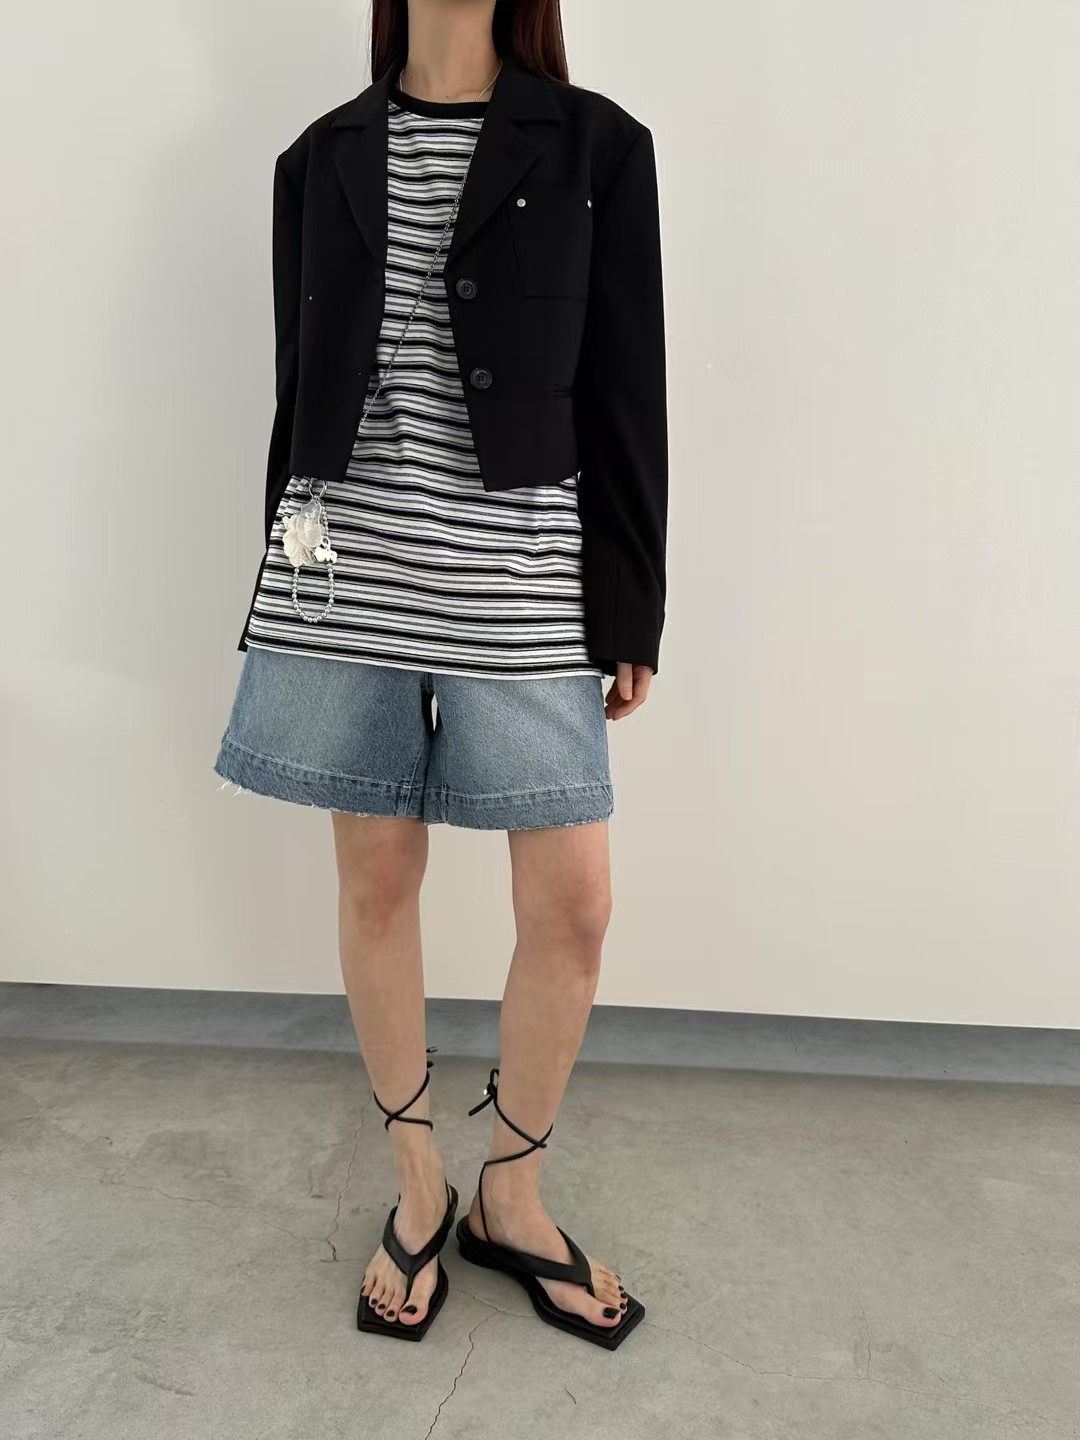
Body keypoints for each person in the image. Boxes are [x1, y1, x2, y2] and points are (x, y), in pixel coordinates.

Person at [213, 0, 667, 1351]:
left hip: (520, 573)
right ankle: (418, 1182)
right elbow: (299, 393)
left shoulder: (598, 147)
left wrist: (629, 601)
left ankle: (509, 1195)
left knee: (574, 904)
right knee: (376, 881)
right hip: (346, 570)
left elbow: (626, 390)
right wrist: (283, 573)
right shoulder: (319, 157)